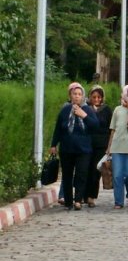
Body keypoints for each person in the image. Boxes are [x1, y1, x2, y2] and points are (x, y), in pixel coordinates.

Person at [50, 82, 99, 211]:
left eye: (79, 94)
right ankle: (68, 201)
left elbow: (95, 126)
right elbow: (58, 129)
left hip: (84, 149)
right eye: (74, 94)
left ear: (82, 96)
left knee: (81, 174)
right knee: (67, 175)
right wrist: (54, 144)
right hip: (67, 148)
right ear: (70, 95)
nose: (77, 96)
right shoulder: (65, 110)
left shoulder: (88, 109)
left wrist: (84, 116)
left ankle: (78, 200)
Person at [84, 85, 112, 207]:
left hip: (101, 145)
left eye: (98, 97)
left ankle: (91, 196)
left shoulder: (106, 110)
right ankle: (83, 195)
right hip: (87, 144)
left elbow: (111, 128)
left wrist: (109, 146)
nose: (96, 99)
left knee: (96, 171)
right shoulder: (85, 109)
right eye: (94, 97)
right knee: (85, 170)